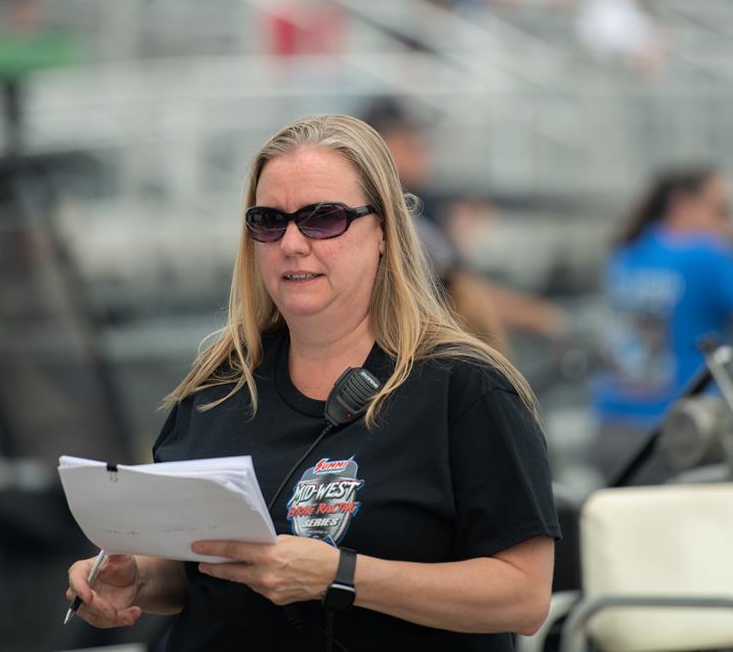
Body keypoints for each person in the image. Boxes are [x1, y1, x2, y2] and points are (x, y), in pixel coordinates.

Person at [66, 115, 560, 650]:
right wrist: (136, 580)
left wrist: (340, 576)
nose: (292, 243)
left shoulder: (466, 388)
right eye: (269, 221)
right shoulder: (218, 387)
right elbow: (199, 572)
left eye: (323, 219)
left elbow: (523, 595)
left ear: (384, 232)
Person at [360, 98, 565, 349]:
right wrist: (538, 316)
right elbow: (462, 296)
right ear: (383, 148)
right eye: (410, 145)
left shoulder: (412, 214)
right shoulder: (408, 223)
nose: (424, 154)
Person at [591, 167, 733, 482]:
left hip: (611, 427)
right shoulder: (704, 256)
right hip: (680, 437)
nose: (727, 225)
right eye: (720, 211)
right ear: (682, 205)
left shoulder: (628, 250)